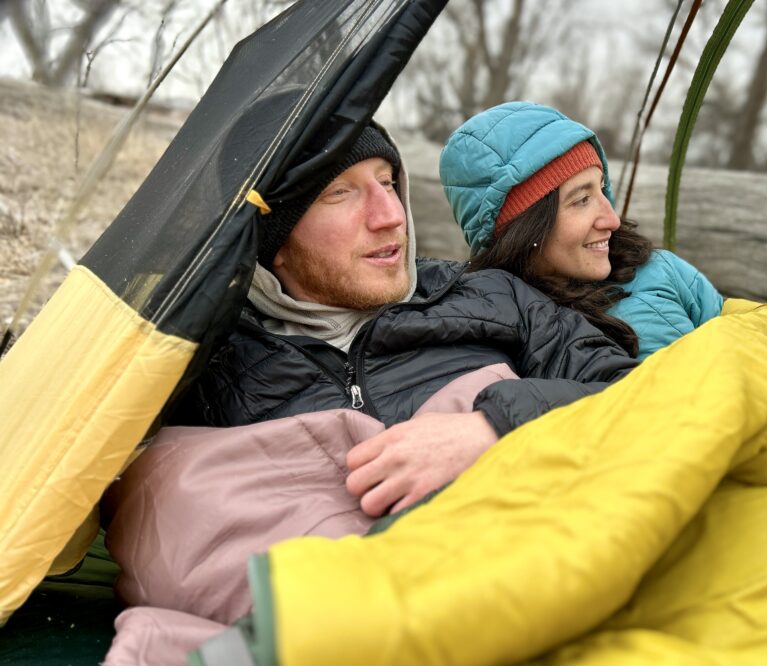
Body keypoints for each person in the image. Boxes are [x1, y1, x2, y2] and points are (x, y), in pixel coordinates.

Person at [173, 117, 636, 518]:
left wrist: (494, 427)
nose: (391, 215)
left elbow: (640, 395)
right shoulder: (211, 369)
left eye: (388, 182)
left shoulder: (489, 294)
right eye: (340, 192)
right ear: (272, 238)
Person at [438, 101, 723, 361]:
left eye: (601, 189)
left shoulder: (660, 269)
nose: (612, 220)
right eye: (581, 200)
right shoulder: (495, 334)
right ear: (526, 229)